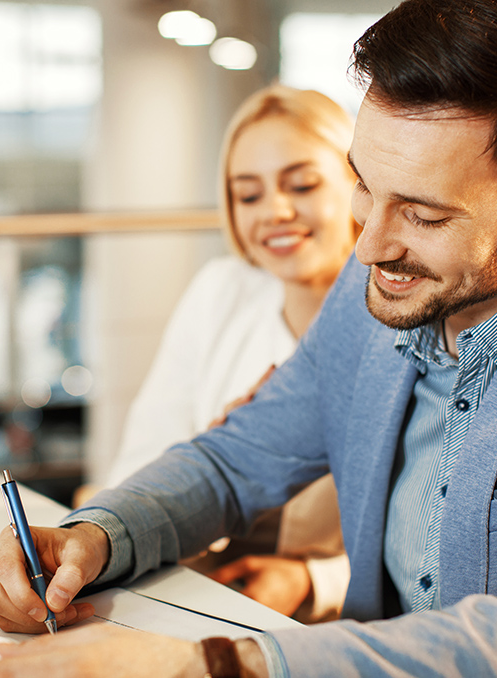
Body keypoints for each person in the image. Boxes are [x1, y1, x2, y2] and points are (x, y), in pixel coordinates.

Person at [0, 1, 497, 676]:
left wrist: (212, 666)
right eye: (365, 188)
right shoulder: (380, 289)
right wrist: (96, 535)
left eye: (424, 214)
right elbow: (237, 460)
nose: (367, 245)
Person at [99, 84, 357, 621]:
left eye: (303, 185)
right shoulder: (222, 291)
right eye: (248, 195)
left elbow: (429, 536)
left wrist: (313, 580)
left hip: (335, 620)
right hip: (193, 585)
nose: (276, 212)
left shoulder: (403, 317)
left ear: (359, 183)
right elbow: (140, 461)